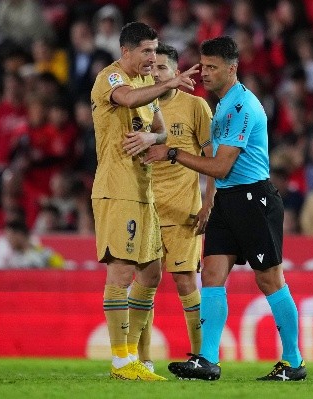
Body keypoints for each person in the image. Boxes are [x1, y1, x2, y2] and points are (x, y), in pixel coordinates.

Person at [144, 36, 306, 381]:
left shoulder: (240, 107)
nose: (205, 74)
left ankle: (293, 362)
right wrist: (210, 202)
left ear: (232, 69)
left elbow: (221, 168)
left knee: (270, 279)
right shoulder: (222, 104)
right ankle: (207, 359)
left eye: (213, 68)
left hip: (253, 199)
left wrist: (173, 153)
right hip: (228, 201)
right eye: (203, 66)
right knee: (212, 275)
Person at [90, 21, 198, 381]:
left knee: (151, 273)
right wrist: (166, 83)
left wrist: (152, 139)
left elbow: (162, 129)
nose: (153, 57)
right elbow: (127, 101)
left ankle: (137, 354)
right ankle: (122, 361)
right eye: (147, 51)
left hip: (143, 190)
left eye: (155, 51)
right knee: (121, 270)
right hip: (117, 187)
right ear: (126, 52)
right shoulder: (112, 78)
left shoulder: (143, 83)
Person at [136, 43, 215, 372]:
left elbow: (214, 160)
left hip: (184, 211)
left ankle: (200, 356)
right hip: (145, 208)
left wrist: (209, 203)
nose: (156, 73)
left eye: (163, 68)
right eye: (152, 68)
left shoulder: (196, 107)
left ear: (176, 73)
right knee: (144, 282)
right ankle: (140, 361)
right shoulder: (138, 107)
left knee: (185, 281)